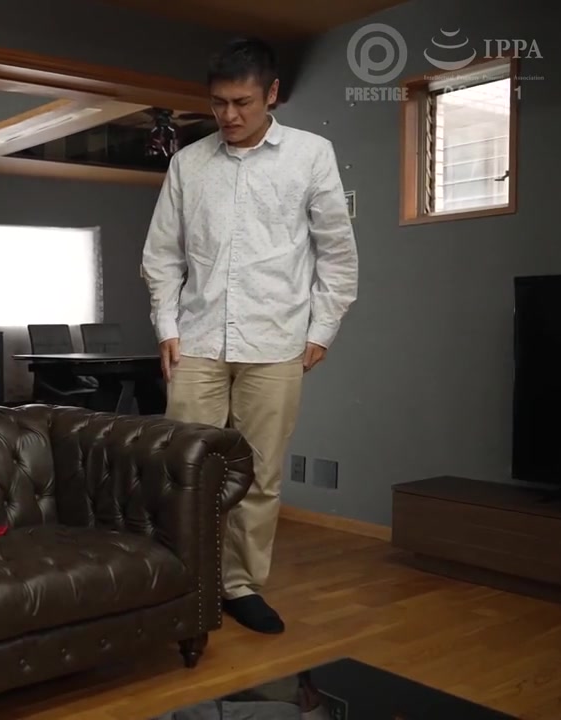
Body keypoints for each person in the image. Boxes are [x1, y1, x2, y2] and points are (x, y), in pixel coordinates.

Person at [140, 38, 358, 634]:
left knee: (259, 475)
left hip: (277, 342)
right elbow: (162, 255)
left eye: (242, 102)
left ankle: (238, 586)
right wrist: (167, 325)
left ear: (272, 95)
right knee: (184, 467)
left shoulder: (311, 155)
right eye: (218, 103)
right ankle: (184, 578)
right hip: (197, 342)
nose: (229, 115)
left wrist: (323, 328)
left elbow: (337, 254)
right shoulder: (188, 163)